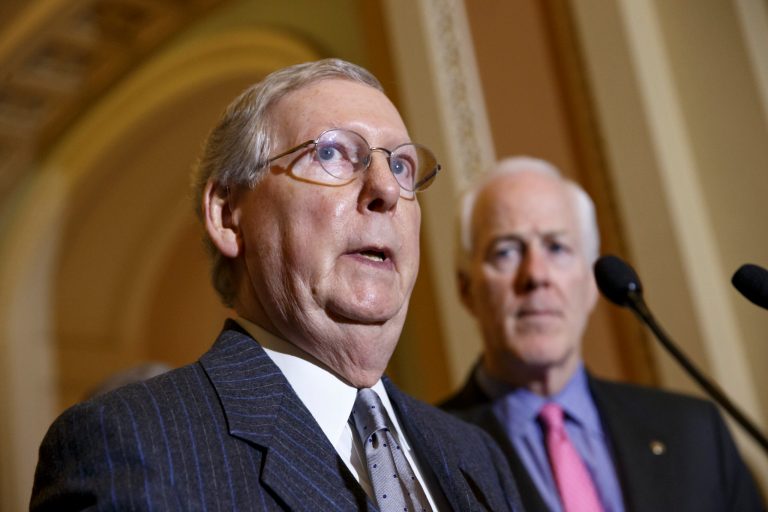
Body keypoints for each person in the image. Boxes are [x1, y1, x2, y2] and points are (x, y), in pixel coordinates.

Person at [31, 59, 524, 511]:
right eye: (332, 153)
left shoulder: (476, 456)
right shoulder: (133, 445)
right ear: (227, 215)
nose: (387, 190)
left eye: (400, 165)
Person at [440, 156, 764, 512]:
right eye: (507, 251)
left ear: (591, 283)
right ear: (466, 289)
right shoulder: (429, 451)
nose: (536, 275)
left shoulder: (696, 433)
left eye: (557, 247)